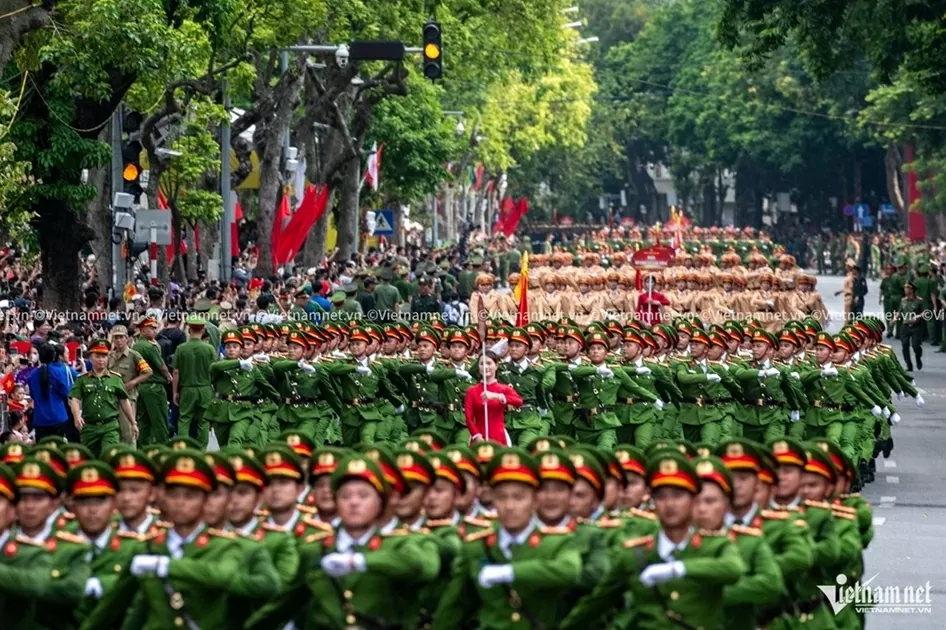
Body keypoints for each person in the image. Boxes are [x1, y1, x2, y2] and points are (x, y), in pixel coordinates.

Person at [68, 339, 136, 458]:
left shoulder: (115, 379)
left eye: (104, 357)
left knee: (109, 455)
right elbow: (75, 399)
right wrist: (77, 416)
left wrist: (133, 423)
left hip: (110, 426)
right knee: (88, 458)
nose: (101, 360)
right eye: (98, 356)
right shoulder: (82, 379)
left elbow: (124, 401)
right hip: (89, 427)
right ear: (91, 358)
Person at [464, 351, 523, 446]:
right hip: (479, 436)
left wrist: (497, 396)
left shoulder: (504, 389)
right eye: (482, 364)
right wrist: (477, 436)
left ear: (496, 365)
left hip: (499, 435)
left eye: (489, 363)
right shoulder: (472, 391)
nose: (485, 367)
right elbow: (469, 418)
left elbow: (519, 401)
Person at [27, 342, 78, 442]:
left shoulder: (32, 375)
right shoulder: (59, 372)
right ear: (54, 356)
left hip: (40, 418)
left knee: (42, 449)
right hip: (58, 416)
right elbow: (67, 392)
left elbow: (33, 395)